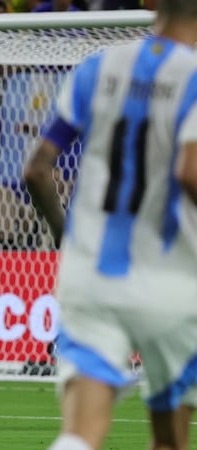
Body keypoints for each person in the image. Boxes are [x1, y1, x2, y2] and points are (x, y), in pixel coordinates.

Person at [23, 2, 197, 449]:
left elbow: (37, 171)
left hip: (92, 274)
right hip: (172, 282)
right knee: (170, 441)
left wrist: (65, 233)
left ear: (151, 5)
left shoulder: (96, 68)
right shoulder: (193, 77)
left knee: (80, 434)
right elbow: (190, 173)